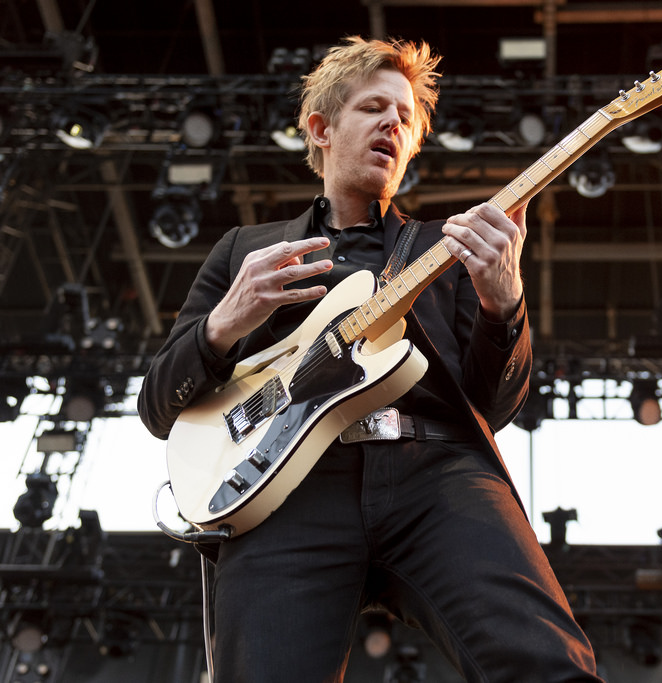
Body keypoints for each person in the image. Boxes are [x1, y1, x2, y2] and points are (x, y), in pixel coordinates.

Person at [138, 36, 603, 683]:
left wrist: (504, 302)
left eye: (406, 117)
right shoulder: (246, 249)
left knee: (547, 664)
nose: (394, 123)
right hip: (284, 492)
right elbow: (157, 406)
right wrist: (224, 323)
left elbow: (495, 405)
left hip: (436, 474)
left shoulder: (448, 246)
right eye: (374, 108)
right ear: (321, 128)